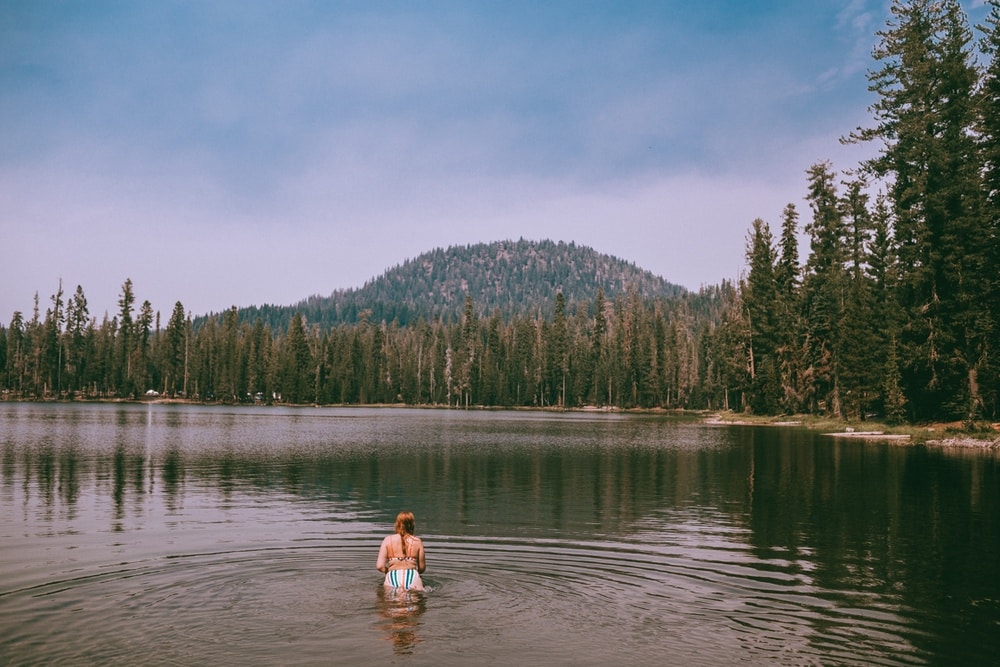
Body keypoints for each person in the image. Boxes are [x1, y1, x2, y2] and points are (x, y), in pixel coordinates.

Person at [376, 511, 426, 591]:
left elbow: (379, 566)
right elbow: (422, 568)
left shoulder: (387, 540)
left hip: (392, 576)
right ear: (412, 525)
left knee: (389, 602)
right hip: (412, 576)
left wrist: (388, 571)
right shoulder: (417, 541)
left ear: (397, 524)